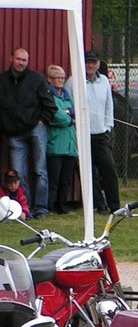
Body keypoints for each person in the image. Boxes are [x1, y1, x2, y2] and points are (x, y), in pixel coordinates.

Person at [0, 48, 55, 220]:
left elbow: (50, 104)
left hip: (36, 129)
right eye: (18, 59)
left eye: (24, 60)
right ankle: (26, 210)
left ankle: (41, 209)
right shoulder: (2, 81)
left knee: (40, 171)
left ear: (27, 61)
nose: (21, 62)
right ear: (11, 59)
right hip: (14, 133)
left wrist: (42, 120)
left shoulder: (37, 79)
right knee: (19, 173)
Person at [66, 51, 118, 211]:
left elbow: (109, 106)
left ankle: (114, 205)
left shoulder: (104, 81)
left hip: (101, 134)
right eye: (87, 62)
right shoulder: (73, 82)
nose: (90, 65)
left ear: (98, 64)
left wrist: (108, 126)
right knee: (89, 173)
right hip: (81, 134)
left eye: (93, 62)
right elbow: (69, 106)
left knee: (109, 169)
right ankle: (99, 205)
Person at [44, 65, 78, 215]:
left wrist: (69, 112)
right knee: (54, 179)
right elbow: (55, 116)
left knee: (66, 179)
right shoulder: (49, 96)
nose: (60, 80)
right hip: (56, 143)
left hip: (71, 144)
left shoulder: (66, 95)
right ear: (49, 79)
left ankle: (63, 206)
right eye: (57, 78)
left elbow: (76, 110)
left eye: (62, 78)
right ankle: (50, 206)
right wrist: (70, 119)